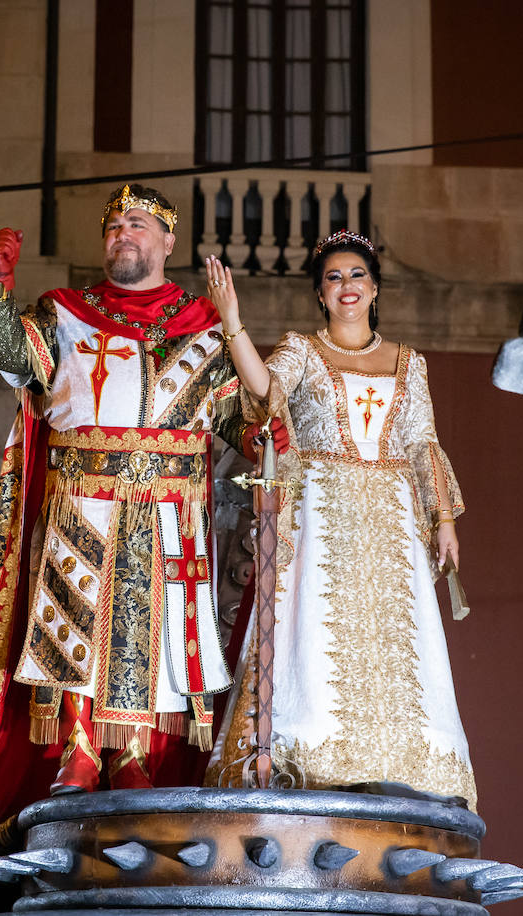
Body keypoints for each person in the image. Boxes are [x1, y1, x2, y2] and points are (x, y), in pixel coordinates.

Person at [0, 184, 286, 916]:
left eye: (137, 224)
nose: (122, 234)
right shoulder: (64, 314)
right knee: (77, 637)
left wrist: (265, 451)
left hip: (167, 519)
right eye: (113, 226)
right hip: (82, 505)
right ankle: (79, 757)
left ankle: (136, 764)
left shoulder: (204, 330)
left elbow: (246, 429)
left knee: (156, 648)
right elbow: (11, 358)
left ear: (164, 242)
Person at [201, 229, 477, 807]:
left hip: (393, 518)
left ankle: (406, 767)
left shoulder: (410, 363)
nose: (346, 286)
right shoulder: (303, 350)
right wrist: (233, 322)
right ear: (321, 295)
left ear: (374, 289)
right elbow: (265, 390)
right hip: (320, 512)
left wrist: (443, 518)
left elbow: (424, 441)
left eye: (356, 275)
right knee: (316, 628)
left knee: (399, 637)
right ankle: (311, 756)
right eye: (333, 277)